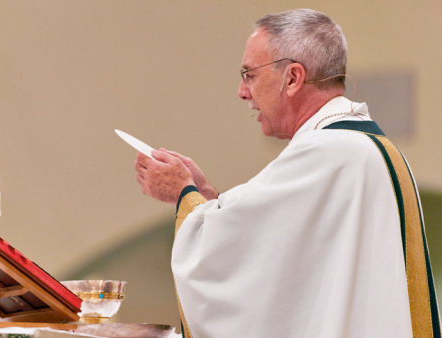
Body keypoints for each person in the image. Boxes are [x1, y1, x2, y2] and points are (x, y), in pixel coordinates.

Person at [134, 9, 441, 338]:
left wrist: (182, 195)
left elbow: (241, 269)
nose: (241, 91)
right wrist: (206, 195)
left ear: (293, 78)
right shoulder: (354, 147)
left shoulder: (330, 152)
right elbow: (280, 245)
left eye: (249, 75)